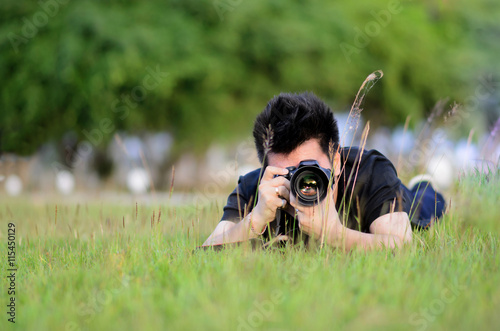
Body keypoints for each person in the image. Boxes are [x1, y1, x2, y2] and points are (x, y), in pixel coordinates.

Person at [202, 92, 446, 250]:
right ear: (266, 169)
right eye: (286, 173)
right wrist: (254, 220)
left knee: (424, 207)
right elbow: (205, 252)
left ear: (336, 161)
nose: (302, 181)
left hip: (410, 200)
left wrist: (333, 233)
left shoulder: (370, 171)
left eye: (311, 169)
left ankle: (424, 185)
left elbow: (402, 248)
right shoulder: (254, 187)